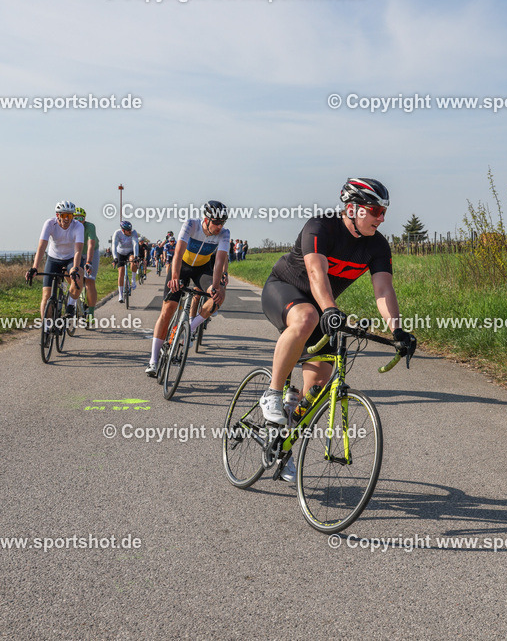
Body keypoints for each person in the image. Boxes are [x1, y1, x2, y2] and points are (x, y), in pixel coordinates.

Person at [259, 178, 417, 482]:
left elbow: (383, 288)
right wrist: (330, 310)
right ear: (352, 208)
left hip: (324, 307)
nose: (381, 217)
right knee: (306, 318)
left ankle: (284, 446)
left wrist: (397, 331)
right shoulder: (320, 227)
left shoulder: (377, 244)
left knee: (317, 386)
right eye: (374, 210)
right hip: (284, 290)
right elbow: (316, 272)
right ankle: (273, 392)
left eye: (384, 211)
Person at [146, 201, 231, 377]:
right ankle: (153, 360)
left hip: (202, 269)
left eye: (223, 222)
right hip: (182, 267)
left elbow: (219, 261)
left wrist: (216, 287)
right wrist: (175, 277)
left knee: (217, 298)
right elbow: (177, 253)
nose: (219, 226)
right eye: (216, 222)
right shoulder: (191, 224)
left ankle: (190, 327)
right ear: (206, 219)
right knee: (168, 310)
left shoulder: (224, 234)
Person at [25, 201, 84, 323]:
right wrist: (35, 267)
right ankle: (46, 328)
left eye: (70, 216)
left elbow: (78, 250)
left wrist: (75, 268)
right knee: (46, 296)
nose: (67, 219)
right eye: (64, 216)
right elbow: (41, 247)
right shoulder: (49, 224)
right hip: (54, 258)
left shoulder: (78, 226)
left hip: (71, 258)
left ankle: (71, 305)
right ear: (58, 215)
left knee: (78, 277)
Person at [74, 207, 98, 322]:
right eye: (76, 218)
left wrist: (88, 262)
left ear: (85, 219)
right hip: (77, 252)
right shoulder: (70, 227)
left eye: (81, 218)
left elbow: (90, 245)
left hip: (91, 252)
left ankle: (91, 314)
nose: (79, 221)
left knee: (89, 280)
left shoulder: (90, 227)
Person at [111, 221, 139, 303]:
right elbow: (114, 245)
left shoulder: (133, 232)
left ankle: (133, 280)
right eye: (128, 230)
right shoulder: (117, 233)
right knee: (121, 271)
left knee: (133, 260)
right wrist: (115, 258)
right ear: (123, 230)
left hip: (130, 252)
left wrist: (136, 256)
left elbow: (135, 244)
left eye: (130, 229)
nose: (130, 231)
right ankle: (120, 294)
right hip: (120, 253)